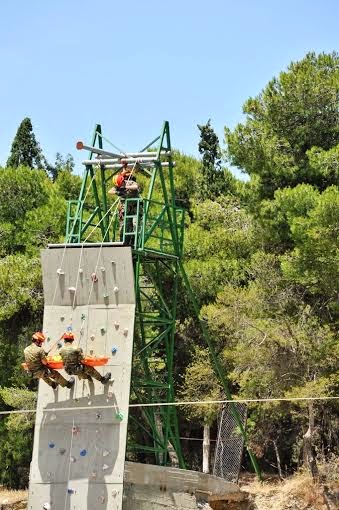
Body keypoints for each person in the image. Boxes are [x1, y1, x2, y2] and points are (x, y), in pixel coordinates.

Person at [108, 166, 140, 246]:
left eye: (121, 184)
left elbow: (136, 186)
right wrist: (118, 192)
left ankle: (134, 243)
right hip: (126, 209)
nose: (120, 186)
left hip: (135, 207)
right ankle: (124, 243)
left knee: (135, 224)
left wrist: (126, 187)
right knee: (125, 226)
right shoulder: (118, 186)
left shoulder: (129, 182)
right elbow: (110, 191)